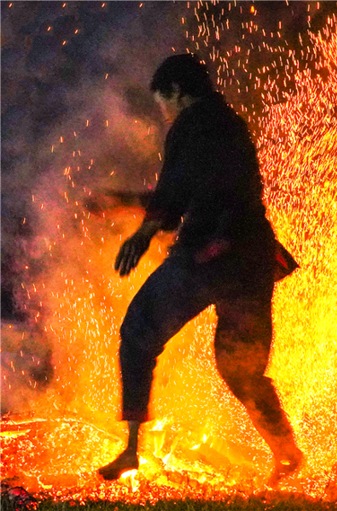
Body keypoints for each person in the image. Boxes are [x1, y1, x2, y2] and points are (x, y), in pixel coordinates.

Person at [97, 54, 303, 486]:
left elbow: (174, 194)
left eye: (163, 103)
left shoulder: (191, 124)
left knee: (138, 333)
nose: (164, 113)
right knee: (240, 367)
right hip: (252, 260)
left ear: (177, 92)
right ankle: (286, 451)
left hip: (210, 257)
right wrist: (127, 201)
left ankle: (132, 451)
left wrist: (142, 233)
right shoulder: (231, 125)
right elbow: (190, 189)